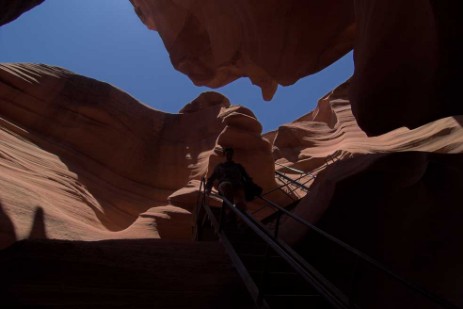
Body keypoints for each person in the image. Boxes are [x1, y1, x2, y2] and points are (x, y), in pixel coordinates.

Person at [205, 147, 252, 215]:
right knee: (227, 185)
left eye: (230, 154)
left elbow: (246, 177)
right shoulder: (220, 167)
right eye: (227, 154)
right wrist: (207, 188)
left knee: (240, 193)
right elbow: (211, 178)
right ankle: (229, 211)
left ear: (232, 155)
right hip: (224, 184)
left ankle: (242, 214)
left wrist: (250, 185)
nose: (228, 156)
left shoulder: (238, 166)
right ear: (224, 155)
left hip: (236, 185)